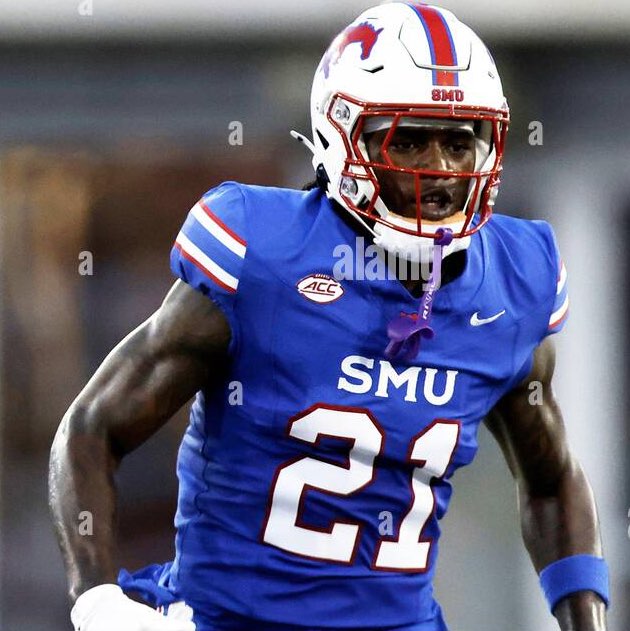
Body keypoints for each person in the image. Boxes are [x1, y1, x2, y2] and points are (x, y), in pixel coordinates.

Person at [49, 3, 610, 631]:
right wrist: (97, 601)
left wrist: (586, 619)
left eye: (459, 142)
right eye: (409, 139)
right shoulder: (264, 259)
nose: (441, 170)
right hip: (226, 620)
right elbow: (92, 429)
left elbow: (552, 480)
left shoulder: (514, 284)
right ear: (342, 138)